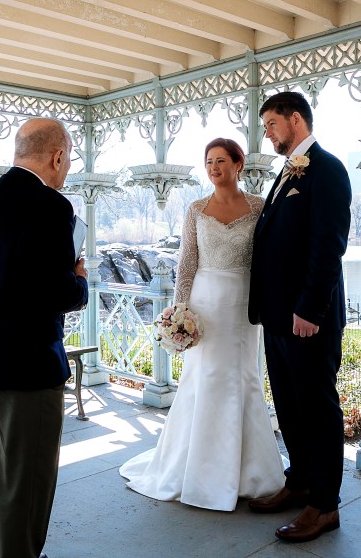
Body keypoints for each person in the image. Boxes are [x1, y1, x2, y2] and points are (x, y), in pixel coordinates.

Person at [119, 137, 286, 511]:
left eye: (221, 160)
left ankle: (250, 471)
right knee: (204, 378)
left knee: (243, 377)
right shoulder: (196, 208)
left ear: (239, 164)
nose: (214, 167)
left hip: (244, 303)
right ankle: (194, 468)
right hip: (205, 303)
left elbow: (271, 257)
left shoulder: (259, 207)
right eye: (209, 161)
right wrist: (179, 311)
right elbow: (187, 262)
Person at [0, 117, 89, 558]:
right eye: (68, 158)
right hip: (27, 363)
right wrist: (81, 279)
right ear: (56, 156)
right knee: (25, 483)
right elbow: (57, 293)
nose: (67, 167)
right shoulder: (53, 208)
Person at [248, 92, 352, 542]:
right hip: (278, 318)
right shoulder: (287, 171)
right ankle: (301, 481)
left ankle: (325, 505)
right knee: (289, 405)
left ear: (295, 120)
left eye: (271, 123)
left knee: (317, 408)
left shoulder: (326, 170)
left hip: (308, 318)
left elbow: (329, 244)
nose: (267, 132)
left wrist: (309, 309)